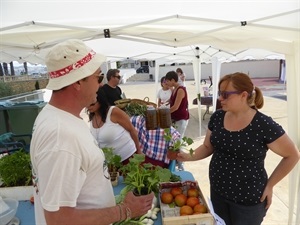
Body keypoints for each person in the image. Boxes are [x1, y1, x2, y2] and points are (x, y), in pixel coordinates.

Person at [30, 39, 154, 225]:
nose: (100, 85)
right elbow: (58, 220)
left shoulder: (60, 119)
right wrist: (125, 210)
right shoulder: (61, 136)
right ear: (78, 82)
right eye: (99, 77)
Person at [177, 72, 300, 225]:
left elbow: (293, 155)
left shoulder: (263, 124)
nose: (220, 98)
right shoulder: (218, 117)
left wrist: (270, 185)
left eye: (225, 94)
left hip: (248, 202)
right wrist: (186, 156)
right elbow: (207, 147)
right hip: (218, 193)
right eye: (219, 93)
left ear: (243, 95)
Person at [87, 87, 142, 165]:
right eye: (87, 103)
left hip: (127, 158)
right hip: (110, 162)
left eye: (92, 104)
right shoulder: (92, 117)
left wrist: (138, 151)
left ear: (101, 101)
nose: (89, 106)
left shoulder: (114, 112)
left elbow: (132, 130)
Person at [165, 70, 189, 171]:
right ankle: (176, 162)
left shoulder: (180, 90)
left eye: (167, 81)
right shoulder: (174, 89)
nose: (166, 83)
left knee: (178, 142)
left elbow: (175, 107)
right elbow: (171, 102)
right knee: (174, 141)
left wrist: (164, 113)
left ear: (173, 80)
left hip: (181, 119)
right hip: (175, 119)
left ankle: (181, 164)